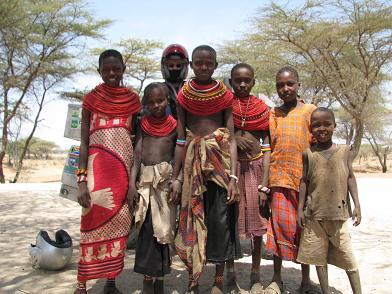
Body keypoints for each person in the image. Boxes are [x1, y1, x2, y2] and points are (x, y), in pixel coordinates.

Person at [170, 45, 241, 294]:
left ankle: (218, 282)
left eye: (208, 63)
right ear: (191, 65)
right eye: (198, 63)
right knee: (190, 220)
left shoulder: (225, 95)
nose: (203, 67)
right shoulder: (183, 95)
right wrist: (176, 177)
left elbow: (231, 138)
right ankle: (194, 280)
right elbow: (180, 139)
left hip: (220, 165)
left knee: (219, 222)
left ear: (216, 65)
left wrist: (233, 177)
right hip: (192, 166)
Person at [75, 49, 141, 294]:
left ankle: (111, 283)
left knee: (120, 225)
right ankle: (81, 285)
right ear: (99, 71)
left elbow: (137, 143)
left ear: (123, 69)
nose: (112, 73)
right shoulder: (90, 100)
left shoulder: (133, 101)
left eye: (116, 68)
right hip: (96, 172)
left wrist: (133, 182)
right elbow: (83, 143)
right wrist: (81, 181)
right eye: (106, 69)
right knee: (90, 224)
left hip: (122, 173)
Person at [297, 107, 362, 294]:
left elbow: (350, 177)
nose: (322, 128)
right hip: (314, 216)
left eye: (327, 124)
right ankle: (325, 291)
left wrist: (357, 204)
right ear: (311, 129)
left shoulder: (344, 151)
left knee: (348, 259)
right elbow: (304, 181)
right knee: (318, 259)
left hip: (338, 215)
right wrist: (300, 209)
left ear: (334, 126)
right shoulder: (308, 153)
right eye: (316, 125)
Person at [265, 66, 318, 294]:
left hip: (304, 182)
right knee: (277, 231)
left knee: (304, 230)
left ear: (298, 85)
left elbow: (317, 146)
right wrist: (265, 183)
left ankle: (306, 280)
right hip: (278, 180)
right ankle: (277, 279)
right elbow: (270, 148)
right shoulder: (273, 113)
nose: (285, 89)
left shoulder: (310, 111)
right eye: (280, 85)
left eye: (290, 84)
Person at [129, 82, 179, 294]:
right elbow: (138, 154)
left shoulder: (175, 126)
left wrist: (178, 180)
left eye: (160, 101)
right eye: (151, 102)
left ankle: (159, 280)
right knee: (146, 230)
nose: (156, 105)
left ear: (167, 101)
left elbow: (179, 156)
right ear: (145, 105)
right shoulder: (143, 125)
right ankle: (147, 281)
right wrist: (132, 184)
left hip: (164, 187)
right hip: (145, 186)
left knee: (163, 232)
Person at [225, 63, 271, 294]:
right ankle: (230, 274)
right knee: (230, 222)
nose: (242, 84)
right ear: (230, 81)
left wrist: (265, 184)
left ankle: (255, 273)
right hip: (231, 171)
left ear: (254, 81)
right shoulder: (224, 105)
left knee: (257, 222)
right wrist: (235, 138)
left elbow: (267, 144)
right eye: (237, 80)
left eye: (247, 80)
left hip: (255, 169)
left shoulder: (262, 109)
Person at [161, 43, 189, 119]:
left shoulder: (190, 88)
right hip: (165, 129)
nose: (175, 68)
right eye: (171, 65)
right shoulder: (158, 89)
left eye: (178, 65)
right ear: (164, 67)